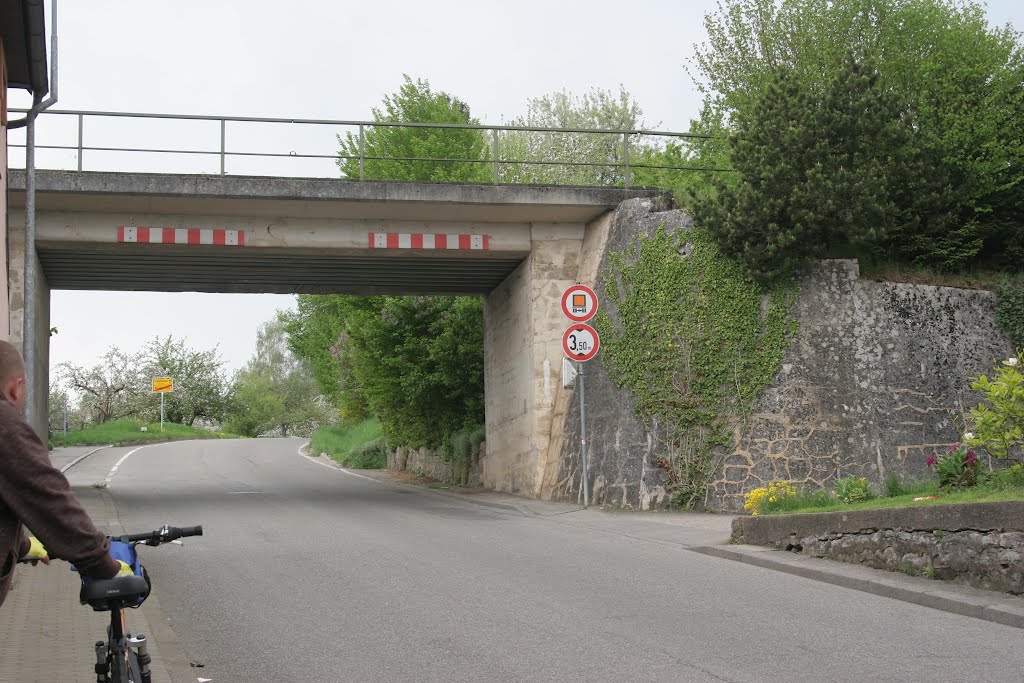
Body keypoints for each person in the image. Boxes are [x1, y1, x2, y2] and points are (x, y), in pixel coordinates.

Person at [0, 340, 131, 608]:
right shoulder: (4, 424)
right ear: (16, 387)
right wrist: (105, 565)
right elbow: (49, 500)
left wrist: (23, 545)